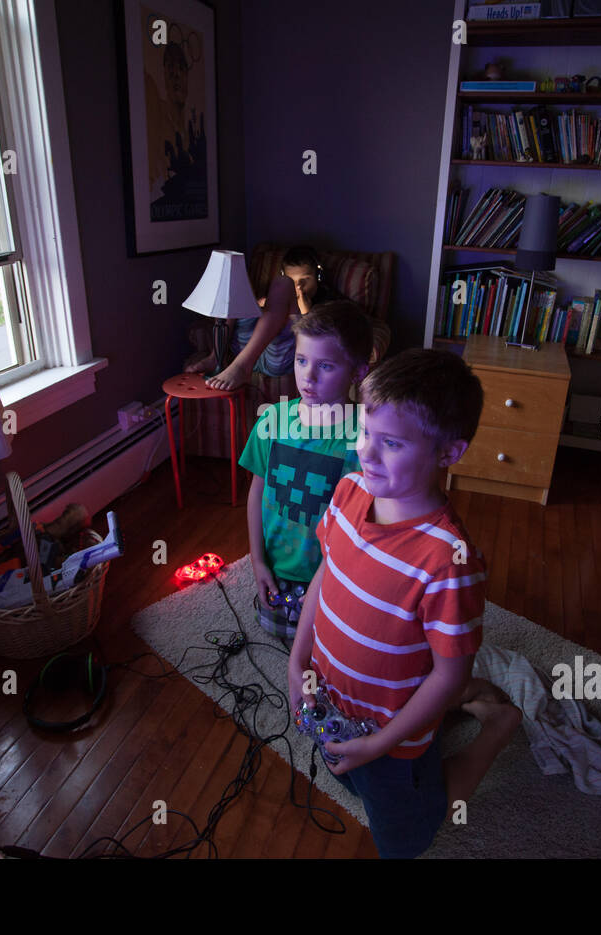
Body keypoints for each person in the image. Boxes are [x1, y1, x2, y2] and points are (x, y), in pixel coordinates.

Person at [285, 348, 521, 858]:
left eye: (390, 443)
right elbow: (325, 576)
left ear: (447, 453)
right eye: (366, 432)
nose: (367, 452)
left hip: (393, 738)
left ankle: (497, 728)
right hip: (334, 702)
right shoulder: (349, 491)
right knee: (353, 781)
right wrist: (297, 660)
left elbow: (448, 674)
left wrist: (379, 744)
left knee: (410, 830)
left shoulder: (447, 561)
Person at [237, 301, 374, 640]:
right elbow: (257, 491)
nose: (308, 377)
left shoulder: (365, 437)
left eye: (325, 366)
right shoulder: (273, 421)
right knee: (273, 630)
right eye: (301, 361)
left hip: (334, 573)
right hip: (279, 566)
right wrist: (257, 561)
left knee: (338, 646)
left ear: (357, 372)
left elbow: (370, 522)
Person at [186, 246, 344, 391]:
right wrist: (264, 307)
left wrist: (306, 313)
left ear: (318, 277)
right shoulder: (274, 294)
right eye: (293, 281)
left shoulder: (329, 302)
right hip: (246, 347)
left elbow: (322, 339)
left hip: (279, 357)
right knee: (231, 282)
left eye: (305, 280)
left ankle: (242, 367)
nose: (298, 287)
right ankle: (215, 356)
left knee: (282, 284)